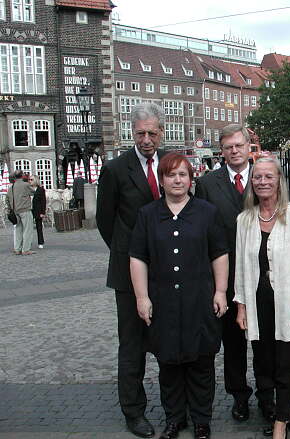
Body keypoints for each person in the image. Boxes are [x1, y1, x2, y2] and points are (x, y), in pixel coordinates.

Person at [129, 153, 229, 439]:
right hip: (163, 301)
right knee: (169, 364)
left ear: (191, 178)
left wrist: (220, 291)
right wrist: (141, 297)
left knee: (201, 363)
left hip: (199, 299)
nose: (177, 180)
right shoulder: (147, 215)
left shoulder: (207, 212)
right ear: (162, 180)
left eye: (182, 174)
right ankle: (174, 418)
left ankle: (201, 419)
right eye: (171, 175)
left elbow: (219, 253)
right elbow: (138, 257)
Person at [96, 102, 167, 438]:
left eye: (152, 132)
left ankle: (174, 406)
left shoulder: (171, 165)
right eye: (140, 133)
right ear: (131, 132)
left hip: (168, 271)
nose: (146, 139)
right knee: (132, 345)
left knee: (168, 340)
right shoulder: (115, 170)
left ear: (161, 132)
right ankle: (134, 411)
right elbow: (105, 221)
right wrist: (130, 255)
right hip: (128, 274)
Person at [234, 155, 290, 439]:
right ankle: (275, 410)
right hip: (258, 305)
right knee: (263, 364)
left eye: (268, 176)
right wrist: (241, 306)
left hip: (289, 304)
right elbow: (241, 269)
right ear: (251, 183)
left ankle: (282, 421)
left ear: (279, 180)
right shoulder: (244, 220)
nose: (263, 181)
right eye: (257, 177)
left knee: (285, 365)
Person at [194, 124, 255, 422]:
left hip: (262, 272)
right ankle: (239, 395)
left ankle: (269, 394)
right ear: (222, 150)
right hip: (227, 275)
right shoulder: (208, 183)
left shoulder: (264, 175)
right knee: (232, 342)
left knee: (265, 340)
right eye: (228, 146)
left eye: (239, 145)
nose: (234, 151)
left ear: (248, 146)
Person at [6, 170, 36, 255]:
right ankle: (26, 249)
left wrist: (10, 208)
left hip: (15, 211)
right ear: (22, 175)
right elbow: (34, 192)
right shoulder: (25, 185)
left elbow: (7, 199)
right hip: (25, 210)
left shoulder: (11, 187)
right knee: (27, 230)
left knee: (18, 230)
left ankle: (17, 248)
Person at [30, 175, 47, 249]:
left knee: (39, 227)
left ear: (36, 180)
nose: (30, 181)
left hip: (37, 210)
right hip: (29, 210)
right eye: (29, 179)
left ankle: (40, 242)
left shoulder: (41, 190)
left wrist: (42, 212)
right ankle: (28, 243)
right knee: (28, 228)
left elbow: (43, 202)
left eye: (31, 179)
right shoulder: (28, 189)